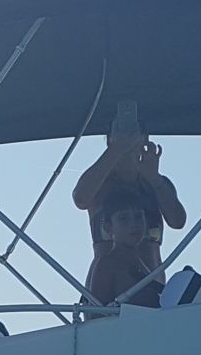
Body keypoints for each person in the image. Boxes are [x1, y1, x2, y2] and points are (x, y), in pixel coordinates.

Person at [72, 105, 186, 307]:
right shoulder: (100, 184)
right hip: (107, 286)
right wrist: (115, 150)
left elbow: (178, 221)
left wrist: (154, 178)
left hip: (152, 284)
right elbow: (80, 198)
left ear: (146, 137)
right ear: (108, 138)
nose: (129, 135)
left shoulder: (156, 184)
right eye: (120, 130)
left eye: (136, 130)